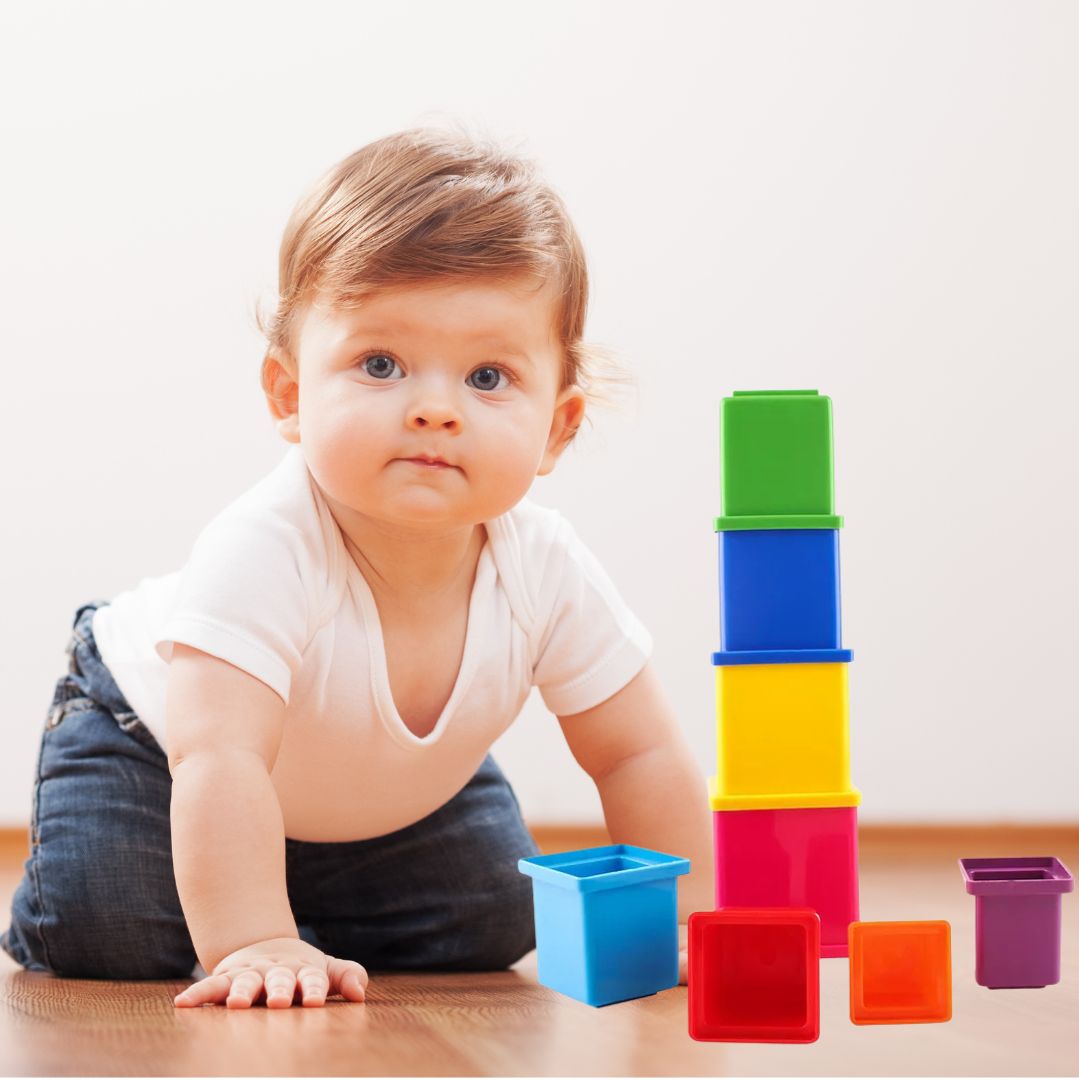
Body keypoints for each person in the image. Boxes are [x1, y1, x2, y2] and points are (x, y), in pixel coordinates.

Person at [1, 123, 713, 1009]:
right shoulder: (265, 547)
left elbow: (638, 753)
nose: (434, 410)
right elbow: (220, 757)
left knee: (490, 921)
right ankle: (263, 905)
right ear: (291, 395)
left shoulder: (544, 568)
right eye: (382, 364)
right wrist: (253, 942)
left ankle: (293, 890)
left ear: (559, 427)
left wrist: (689, 919)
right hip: (153, 745)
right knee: (108, 932)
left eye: (488, 378)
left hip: (375, 790)